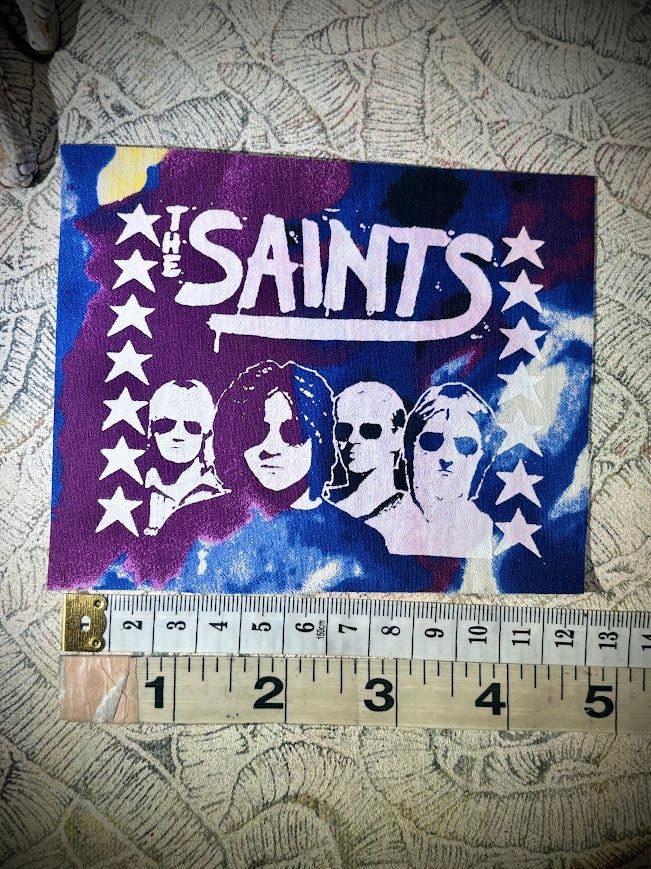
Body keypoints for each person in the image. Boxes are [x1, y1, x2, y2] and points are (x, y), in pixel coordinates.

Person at [171, 360, 431, 593]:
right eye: (256, 431)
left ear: (318, 438)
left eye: (291, 432)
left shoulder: (361, 542)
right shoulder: (192, 524)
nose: (271, 447)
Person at [368, 382, 498, 559]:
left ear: (481, 458)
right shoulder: (379, 528)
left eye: (464, 445)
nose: (447, 456)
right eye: (432, 441)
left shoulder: (490, 532)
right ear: (411, 449)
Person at [143, 380, 225, 535]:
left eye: (191, 426)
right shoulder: (135, 489)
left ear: (206, 434)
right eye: (166, 424)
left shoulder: (218, 494)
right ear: (151, 429)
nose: (178, 435)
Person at [325, 381, 407, 519]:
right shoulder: (324, 504)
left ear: (397, 437)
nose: (352, 439)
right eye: (344, 430)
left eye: (369, 430)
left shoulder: (407, 515)